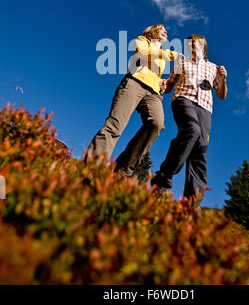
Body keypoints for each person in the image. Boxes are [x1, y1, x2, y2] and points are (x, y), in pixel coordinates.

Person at [83, 24, 179, 177]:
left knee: (157, 123)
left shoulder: (161, 57)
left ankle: (122, 170)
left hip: (153, 93)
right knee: (115, 125)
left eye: (165, 30)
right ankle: (92, 170)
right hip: (134, 83)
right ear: (152, 32)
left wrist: (162, 84)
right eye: (161, 29)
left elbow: (153, 75)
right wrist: (168, 54)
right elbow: (142, 54)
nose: (165, 31)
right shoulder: (143, 41)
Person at [151, 34, 227, 200]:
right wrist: (157, 84)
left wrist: (223, 79)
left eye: (196, 42)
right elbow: (170, 84)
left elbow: (221, 94)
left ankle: (191, 205)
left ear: (204, 46)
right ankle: (163, 178)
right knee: (192, 130)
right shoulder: (182, 61)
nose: (192, 44)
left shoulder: (213, 67)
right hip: (184, 99)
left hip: (205, 108)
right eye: (190, 42)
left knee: (200, 149)